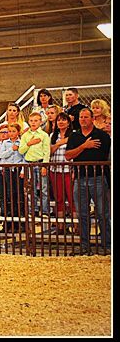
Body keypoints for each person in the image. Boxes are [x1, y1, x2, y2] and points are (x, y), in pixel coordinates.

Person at [65, 108, 111, 255]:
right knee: (82, 213)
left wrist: (81, 151)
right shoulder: (74, 136)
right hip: (80, 178)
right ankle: (85, 245)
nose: (83, 119)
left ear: (92, 118)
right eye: (81, 117)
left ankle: (107, 245)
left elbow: (103, 155)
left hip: (97, 176)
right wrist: (84, 146)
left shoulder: (102, 135)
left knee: (102, 213)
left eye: (86, 117)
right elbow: (68, 155)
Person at [0, 123, 26, 233]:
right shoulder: (2, 144)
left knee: (17, 196)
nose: (8, 134)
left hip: (15, 171)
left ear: (18, 132)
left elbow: (24, 157)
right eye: (5, 132)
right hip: (3, 172)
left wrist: (23, 170)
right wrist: (10, 151)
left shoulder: (21, 143)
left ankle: (19, 223)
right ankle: (7, 223)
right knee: (4, 198)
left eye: (11, 131)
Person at [18, 111, 51, 218]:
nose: (33, 123)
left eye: (36, 121)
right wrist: (29, 143)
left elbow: (47, 151)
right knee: (30, 189)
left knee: (44, 188)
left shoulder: (44, 135)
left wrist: (45, 166)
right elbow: (21, 151)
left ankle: (45, 211)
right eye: (31, 121)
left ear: (40, 122)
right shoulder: (25, 136)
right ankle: (33, 210)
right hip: (29, 164)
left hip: (40, 163)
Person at [49, 112, 75, 234]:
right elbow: (49, 151)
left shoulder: (74, 135)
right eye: (59, 120)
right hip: (56, 170)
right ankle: (60, 226)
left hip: (69, 170)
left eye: (64, 120)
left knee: (72, 198)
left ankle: (76, 226)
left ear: (69, 122)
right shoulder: (52, 136)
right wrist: (59, 143)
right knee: (59, 198)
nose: (61, 122)